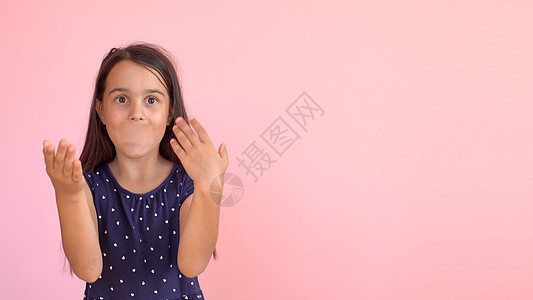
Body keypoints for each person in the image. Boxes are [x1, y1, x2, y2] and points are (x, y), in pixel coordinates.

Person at [42, 42, 228, 299]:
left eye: (151, 100)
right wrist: (68, 195)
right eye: (121, 99)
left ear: (169, 112)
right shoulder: (87, 185)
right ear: (101, 111)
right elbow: (88, 269)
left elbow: (193, 264)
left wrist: (210, 185)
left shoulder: (186, 183)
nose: (136, 113)